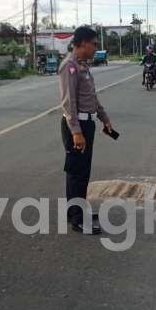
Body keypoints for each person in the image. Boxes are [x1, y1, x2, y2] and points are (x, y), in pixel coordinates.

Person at [58, 26, 115, 235]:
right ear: (83, 43)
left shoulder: (82, 65)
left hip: (86, 124)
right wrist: (76, 132)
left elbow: (91, 97)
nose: (96, 48)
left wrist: (104, 118)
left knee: (81, 172)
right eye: (94, 44)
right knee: (77, 173)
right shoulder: (69, 66)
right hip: (77, 126)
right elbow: (69, 102)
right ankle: (78, 219)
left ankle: (75, 211)